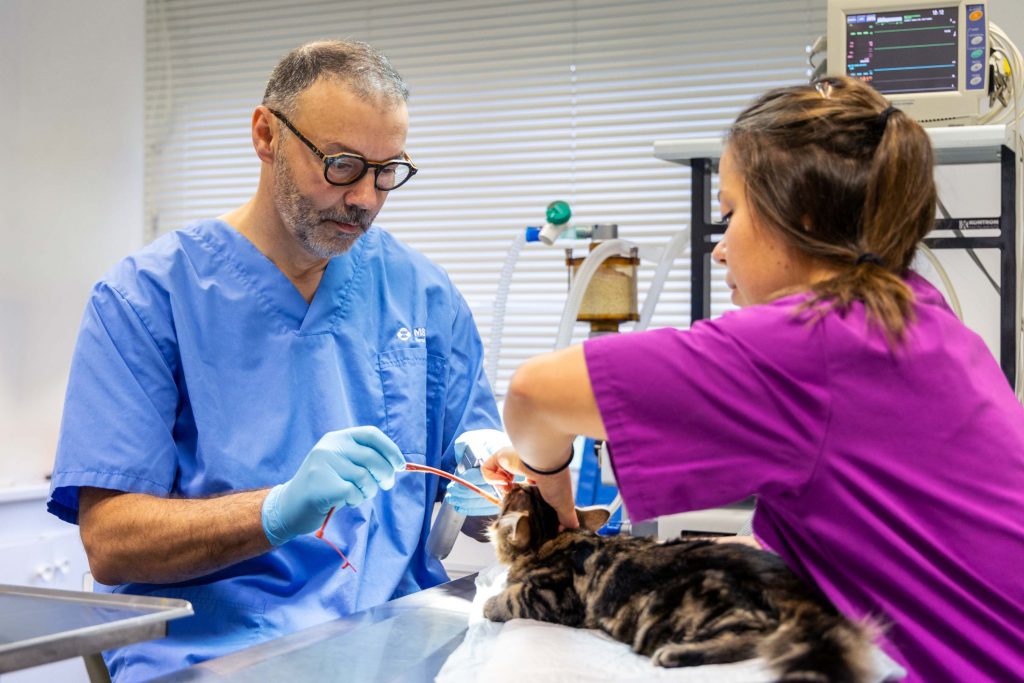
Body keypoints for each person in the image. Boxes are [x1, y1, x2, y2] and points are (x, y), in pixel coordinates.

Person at [482, 76, 1024, 682]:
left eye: (731, 213)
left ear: (803, 215)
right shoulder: (916, 315)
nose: (718, 249)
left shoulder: (810, 342)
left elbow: (533, 394)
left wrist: (549, 490)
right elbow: (830, 544)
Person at [47, 40, 502, 681]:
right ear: (266, 135)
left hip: (397, 635)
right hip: (218, 650)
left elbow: (478, 491)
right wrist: (277, 509)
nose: (366, 199)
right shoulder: (148, 298)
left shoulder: (422, 292)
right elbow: (112, 545)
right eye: (342, 165)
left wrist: (498, 492)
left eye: (388, 170)